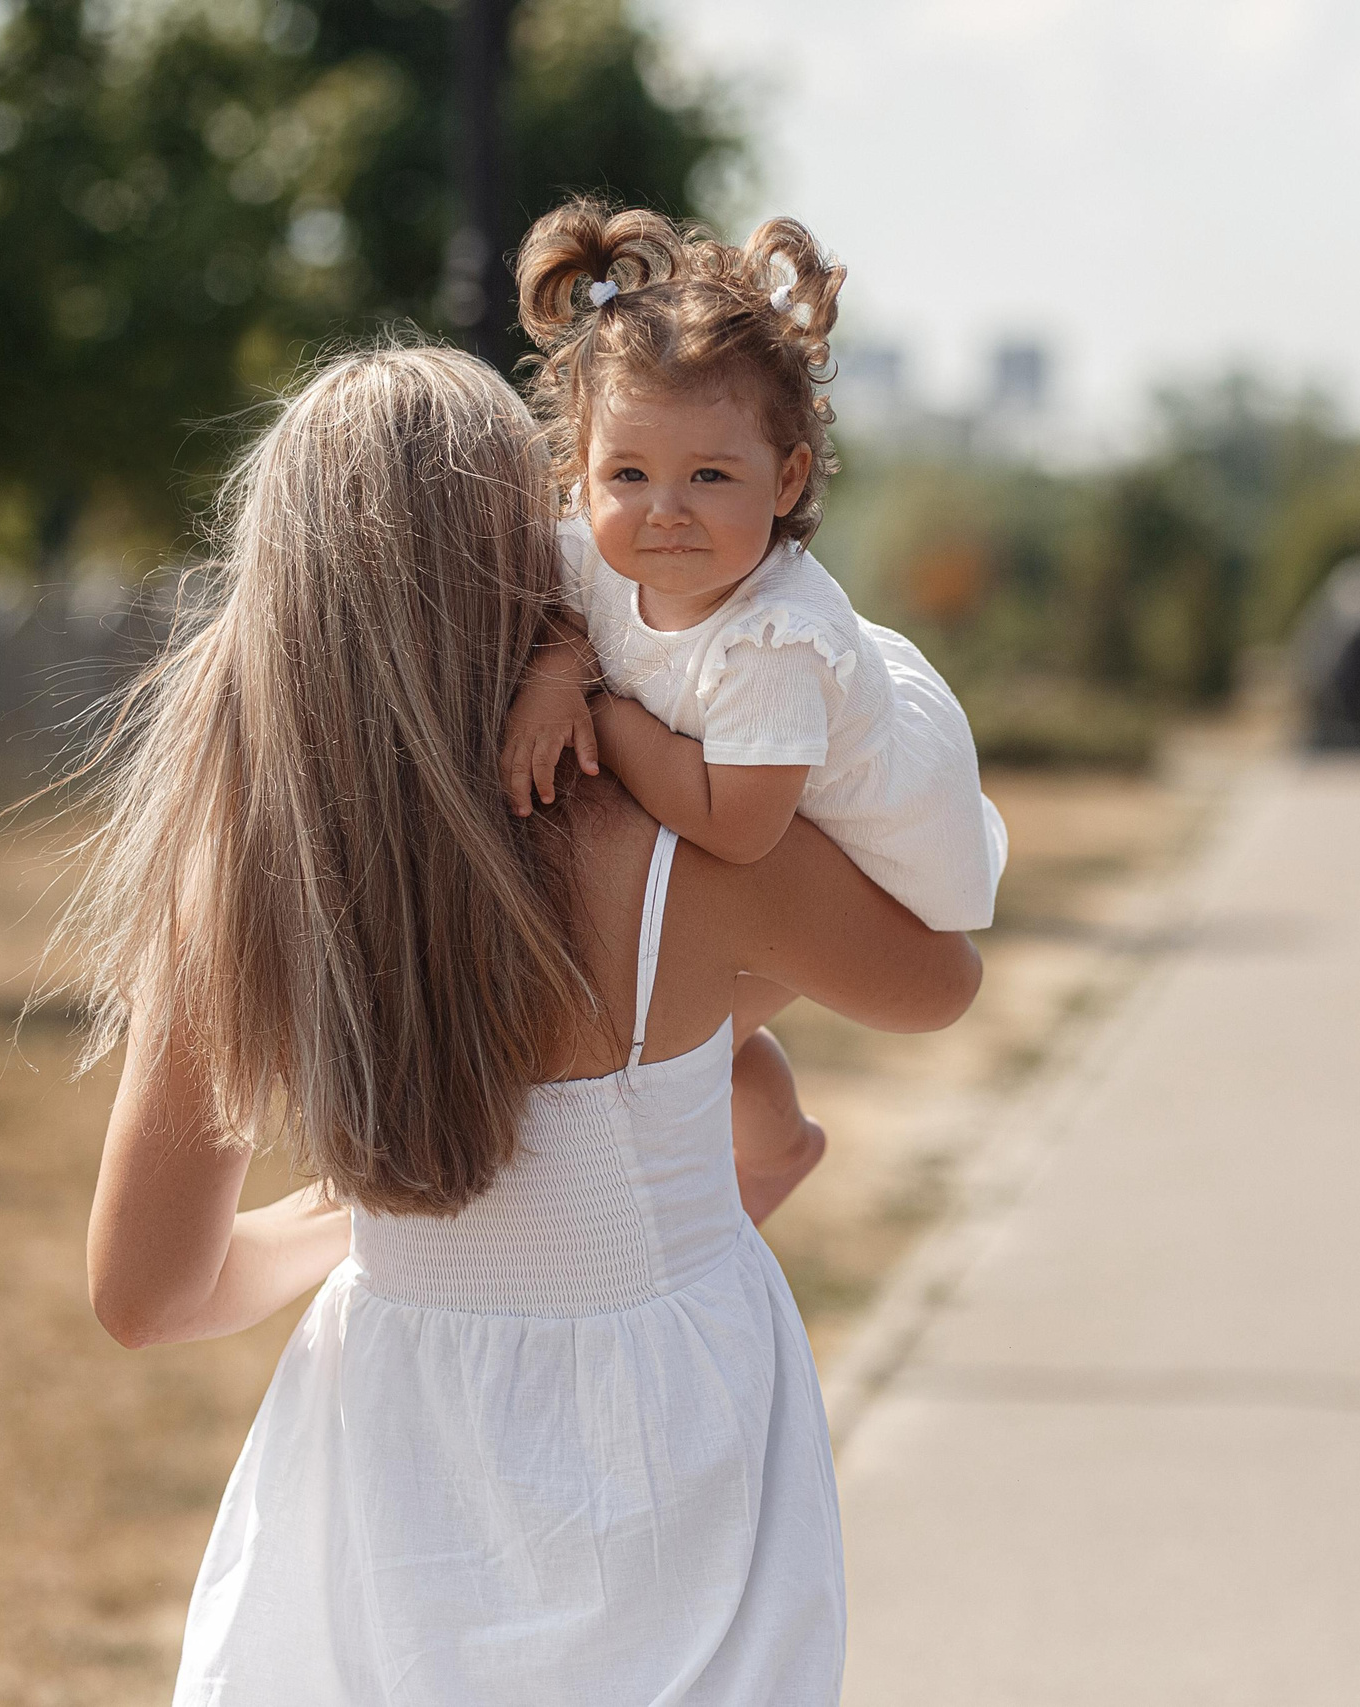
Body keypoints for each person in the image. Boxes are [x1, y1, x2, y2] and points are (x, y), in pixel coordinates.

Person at [66, 344, 981, 1704]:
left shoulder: (245, 880)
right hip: (673, 1437)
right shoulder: (677, 839)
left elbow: (151, 1296)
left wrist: (384, 1201)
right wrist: (691, 1096)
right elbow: (938, 982)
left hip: (392, 1448)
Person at [494, 199, 1006, 1226]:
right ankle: (772, 1142)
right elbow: (553, 604)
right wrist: (555, 666)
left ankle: (772, 1152)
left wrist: (600, 704)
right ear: (578, 472)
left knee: (684, 1043)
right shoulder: (592, 552)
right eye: (627, 474)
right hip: (762, 812)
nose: (665, 508)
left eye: (710, 476)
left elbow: (738, 824)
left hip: (876, 868)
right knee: (688, 1042)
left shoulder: (770, 643)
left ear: (787, 479)